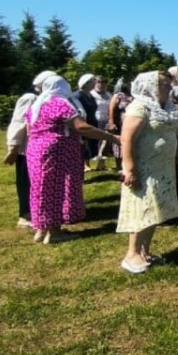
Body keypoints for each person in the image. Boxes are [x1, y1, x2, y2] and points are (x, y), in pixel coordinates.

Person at [26, 74, 117, 244]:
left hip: (35, 150)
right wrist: (111, 138)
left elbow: (28, 130)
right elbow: (81, 127)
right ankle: (54, 232)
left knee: (41, 189)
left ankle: (41, 229)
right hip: (58, 150)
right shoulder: (60, 103)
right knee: (57, 188)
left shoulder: (36, 106)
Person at [117, 71, 178, 273]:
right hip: (144, 167)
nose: (169, 89)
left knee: (156, 208)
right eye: (164, 85)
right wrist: (129, 169)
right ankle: (131, 254)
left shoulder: (166, 107)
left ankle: (145, 251)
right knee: (143, 209)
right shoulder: (139, 107)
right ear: (150, 86)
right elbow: (126, 139)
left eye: (169, 85)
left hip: (162, 168)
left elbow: (174, 133)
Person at [3, 82, 39, 228]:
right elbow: (18, 123)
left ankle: (34, 213)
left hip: (35, 148)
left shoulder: (41, 98)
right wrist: (13, 148)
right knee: (26, 182)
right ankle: (24, 216)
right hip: (25, 149)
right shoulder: (30, 98)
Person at [74, 73, 101, 168]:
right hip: (83, 122)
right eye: (92, 81)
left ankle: (88, 162)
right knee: (84, 144)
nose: (94, 83)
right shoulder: (78, 96)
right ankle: (85, 164)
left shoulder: (91, 96)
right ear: (85, 83)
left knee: (90, 144)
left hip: (92, 121)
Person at [107, 78, 133, 172]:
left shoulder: (134, 96)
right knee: (118, 142)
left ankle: (127, 163)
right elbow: (111, 108)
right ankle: (119, 165)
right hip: (119, 124)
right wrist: (111, 122)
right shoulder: (118, 95)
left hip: (130, 123)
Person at [91, 76, 112, 169]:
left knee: (105, 141)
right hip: (96, 119)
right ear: (95, 83)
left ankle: (101, 163)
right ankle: (87, 164)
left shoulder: (108, 94)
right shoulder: (92, 94)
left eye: (104, 82)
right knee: (96, 141)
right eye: (99, 82)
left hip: (106, 119)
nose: (102, 84)